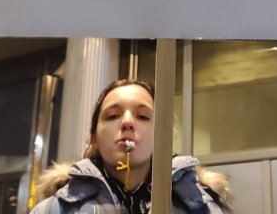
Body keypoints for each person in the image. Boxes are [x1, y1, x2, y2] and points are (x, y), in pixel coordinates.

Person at [30, 79, 231, 214]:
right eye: (112, 116)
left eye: (143, 116)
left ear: (163, 137)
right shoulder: (51, 210)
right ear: (94, 139)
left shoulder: (204, 208)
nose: (127, 122)